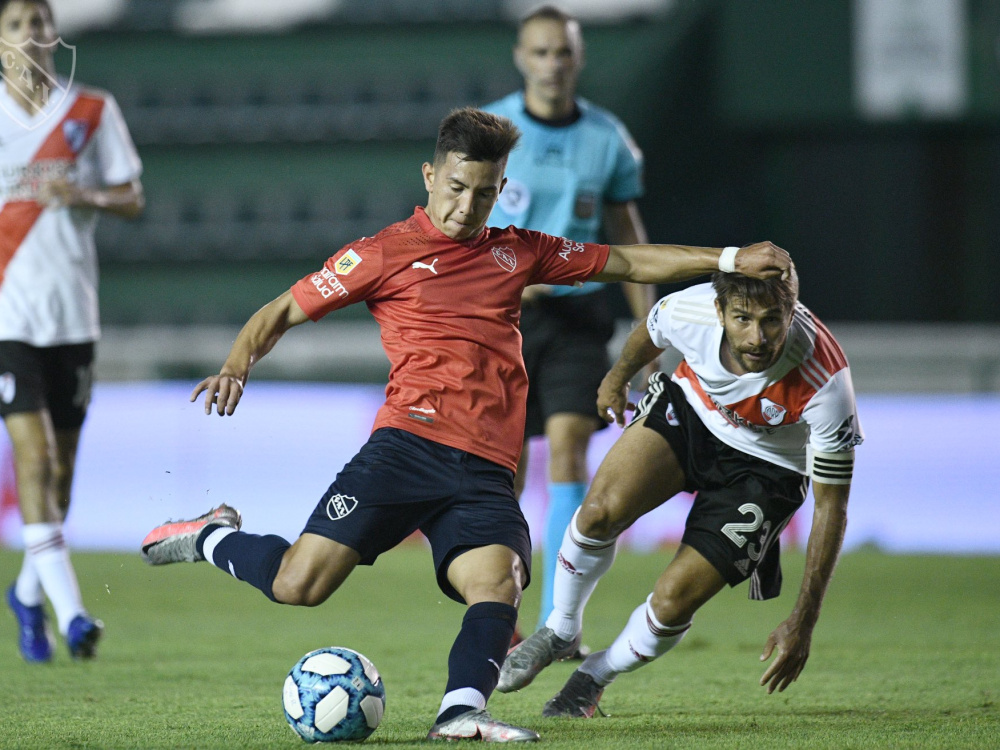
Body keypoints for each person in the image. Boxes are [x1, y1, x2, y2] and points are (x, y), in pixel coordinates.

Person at [139, 107, 790, 743]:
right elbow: (284, 308)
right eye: (455, 188)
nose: (465, 206)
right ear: (429, 176)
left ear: (501, 190)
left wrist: (728, 258)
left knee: (497, 581)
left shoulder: (520, 252)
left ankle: (458, 714)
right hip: (405, 449)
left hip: (484, 469)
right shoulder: (382, 253)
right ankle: (210, 537)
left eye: (482, 194)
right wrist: (237, 362)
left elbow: (628, 261)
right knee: (298, 585)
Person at [498, 267, 863, 717]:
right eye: (743, 319)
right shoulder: (691, 309)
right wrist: (617, 378)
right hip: (691, 412)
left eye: (773, 320)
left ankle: (594, 675)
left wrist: (804, 621)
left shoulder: (826, 382)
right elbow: (651, 330)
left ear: (794, 312)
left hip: (768, 470)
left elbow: (832, 507)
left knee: (672, 603)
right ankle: (560, 629)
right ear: (719, 311)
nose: (758, 337)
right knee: (597, 513)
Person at [482, 4, 655, 639]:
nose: (552, 64)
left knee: (567, 449)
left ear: (578, 59)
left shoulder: (608, 139)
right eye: (540, 52)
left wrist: (649, 328)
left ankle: (560, 623)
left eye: (563, 52)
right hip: (509, 316)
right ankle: (506, 614)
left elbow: (626, 235)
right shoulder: (494, 132)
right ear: (520, 59)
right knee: (508, 468)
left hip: (581, 314)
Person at [1, 0, 144, 662]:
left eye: (38, 20)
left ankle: (28, 593)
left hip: (73, 316)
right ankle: (74, 613)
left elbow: (132, 197)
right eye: (15, 23)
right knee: (34, 461)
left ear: (54, 33)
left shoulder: (90, 110)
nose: (30, 32)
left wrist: (83, 195)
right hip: (9, 316)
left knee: (62, 478)